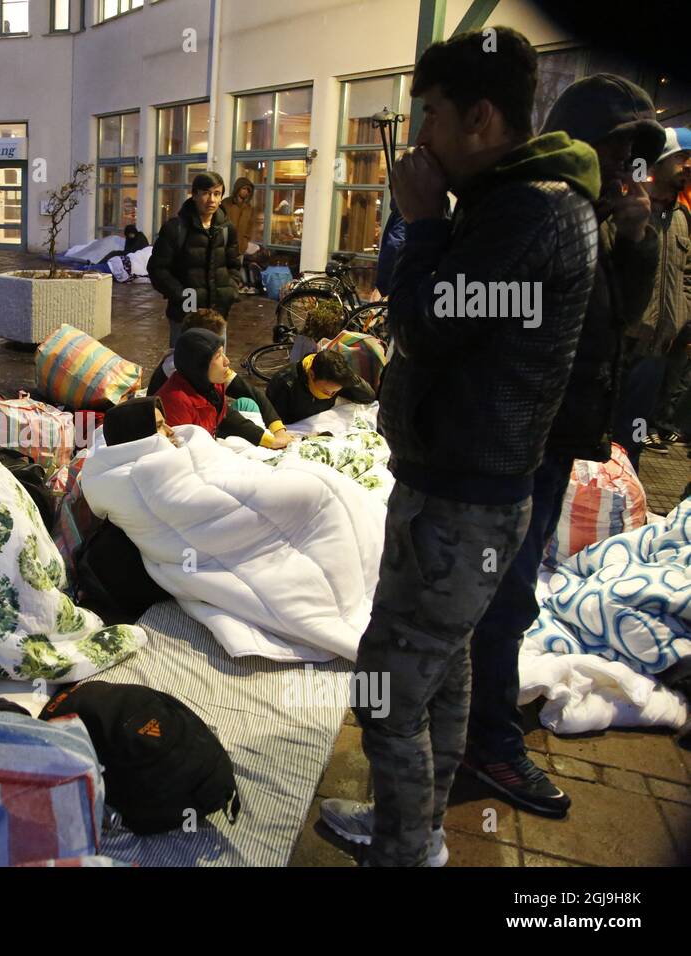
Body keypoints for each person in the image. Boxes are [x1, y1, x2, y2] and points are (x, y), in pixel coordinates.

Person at [319, 28, 601, 867]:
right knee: (439, 671)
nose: (420, 139)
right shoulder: (520, 202)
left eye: (431, 116)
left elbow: (428, 322)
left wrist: (416, 222)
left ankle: (405, 849)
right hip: (468, 487)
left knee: (386, 689)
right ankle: (421, 828)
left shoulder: (530, 211)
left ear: (480, 117)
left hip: (462, 500)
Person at [455, 76, 663, 822]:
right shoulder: (547, 213)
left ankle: (472, 732)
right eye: (617, 149)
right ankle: (484, 742)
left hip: (548, 448)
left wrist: (636, 241)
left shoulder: (598, 224)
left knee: (507, 597)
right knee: (500, 600)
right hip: (514, 450)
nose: (627, 168)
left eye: (636, 154)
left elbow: (622, 323)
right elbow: (456, 317)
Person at [145, 309, 293, 448]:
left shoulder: (212, 382)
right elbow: (184, 453)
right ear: (200, 359)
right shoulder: (177, 397)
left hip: (209, 434)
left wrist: (273, 437)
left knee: (247, 404)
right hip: (196, 453)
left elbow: (229, 413)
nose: (227, 361)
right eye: (218, 355)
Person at [148, 171, 243, 346]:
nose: (212, 200)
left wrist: (230, 291)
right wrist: (181, 295)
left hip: (218, 313)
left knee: (215, 366)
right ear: (194, 195)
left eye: (217, 194)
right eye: (206, 193)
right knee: (182, 365)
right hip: (185, 314)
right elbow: (157, 268)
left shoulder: (227, 229)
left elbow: (234, 265)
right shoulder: (175, 228)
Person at [643, 127, 691, 453]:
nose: (688, 166)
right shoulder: (631, 207)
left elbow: (687, 275)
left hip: (661, 347)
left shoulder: (682, 217)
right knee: (603, 442)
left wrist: (683, 313)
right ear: (658, 161)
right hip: (628, 347)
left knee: (631, 444)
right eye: (682, 157)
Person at [264, 349, 375, 426]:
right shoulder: (285, 383)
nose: (330, 395)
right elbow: (274, 421)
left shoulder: (336, 378)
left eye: (335, 392)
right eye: (325, 391)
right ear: (311, 375)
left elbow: (368, 397)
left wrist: (349, 376)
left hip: (324, 424)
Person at [219, 177, 259, 294]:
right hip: (225, 243)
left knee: (236, 268)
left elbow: (250, 225)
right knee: (223, 268)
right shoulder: (226, 203)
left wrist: (246, 239)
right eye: (244, 189)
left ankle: (233, 291)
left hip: (240, 245)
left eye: (248, 190)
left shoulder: (248, 208)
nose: (246, 192)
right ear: (238, 189)